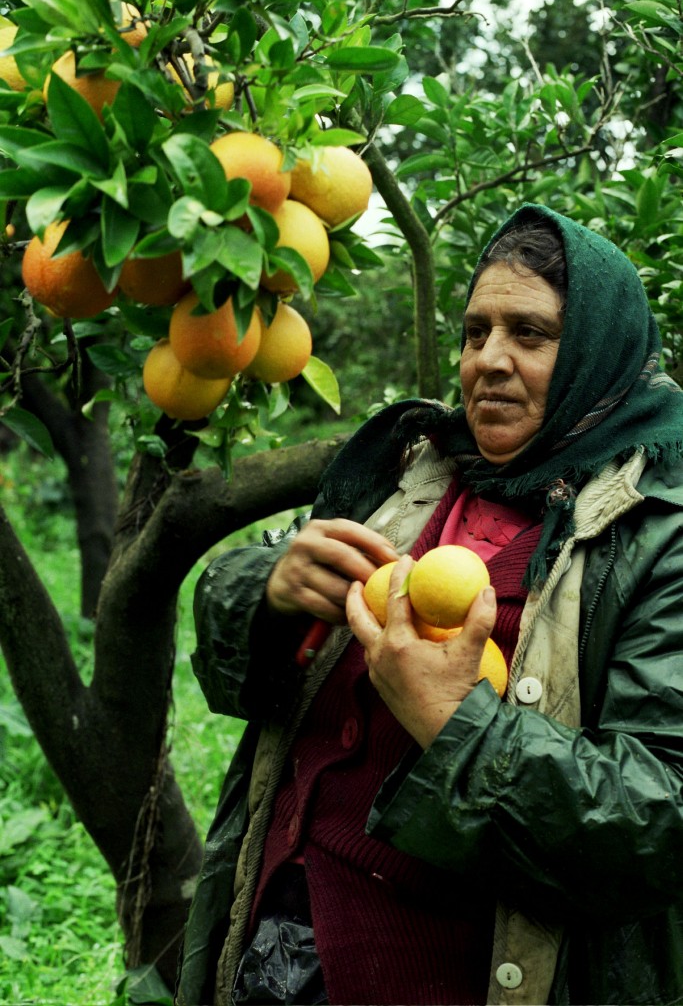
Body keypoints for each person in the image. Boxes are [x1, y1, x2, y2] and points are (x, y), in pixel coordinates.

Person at [175, 203, 683, 1006]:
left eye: (531, 334)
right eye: (473, 332)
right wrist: (268, 596)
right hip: (280, 932)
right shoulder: (410, 469)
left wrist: (455, 725)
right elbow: (231, 667)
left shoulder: (656, 534)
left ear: (597, 351)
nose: (489, 360)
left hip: (440, 974)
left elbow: (660, 822)